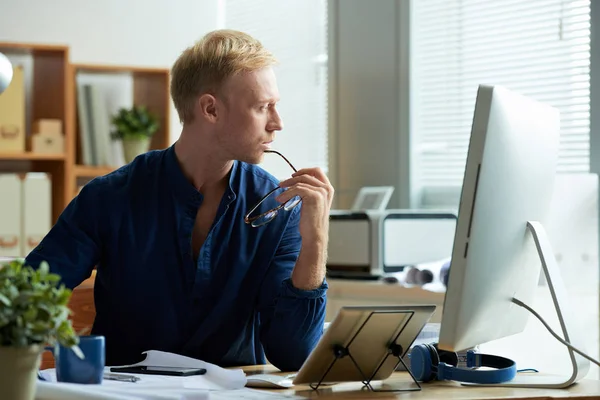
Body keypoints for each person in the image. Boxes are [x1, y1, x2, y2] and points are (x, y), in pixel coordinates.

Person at [25, 29, 334, 372]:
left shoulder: (278, 208)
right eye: (264, 107)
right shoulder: (108, 197)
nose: (277, 123)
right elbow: (25, 296)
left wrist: (316, 240)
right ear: (210, 109)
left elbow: (292, 354)